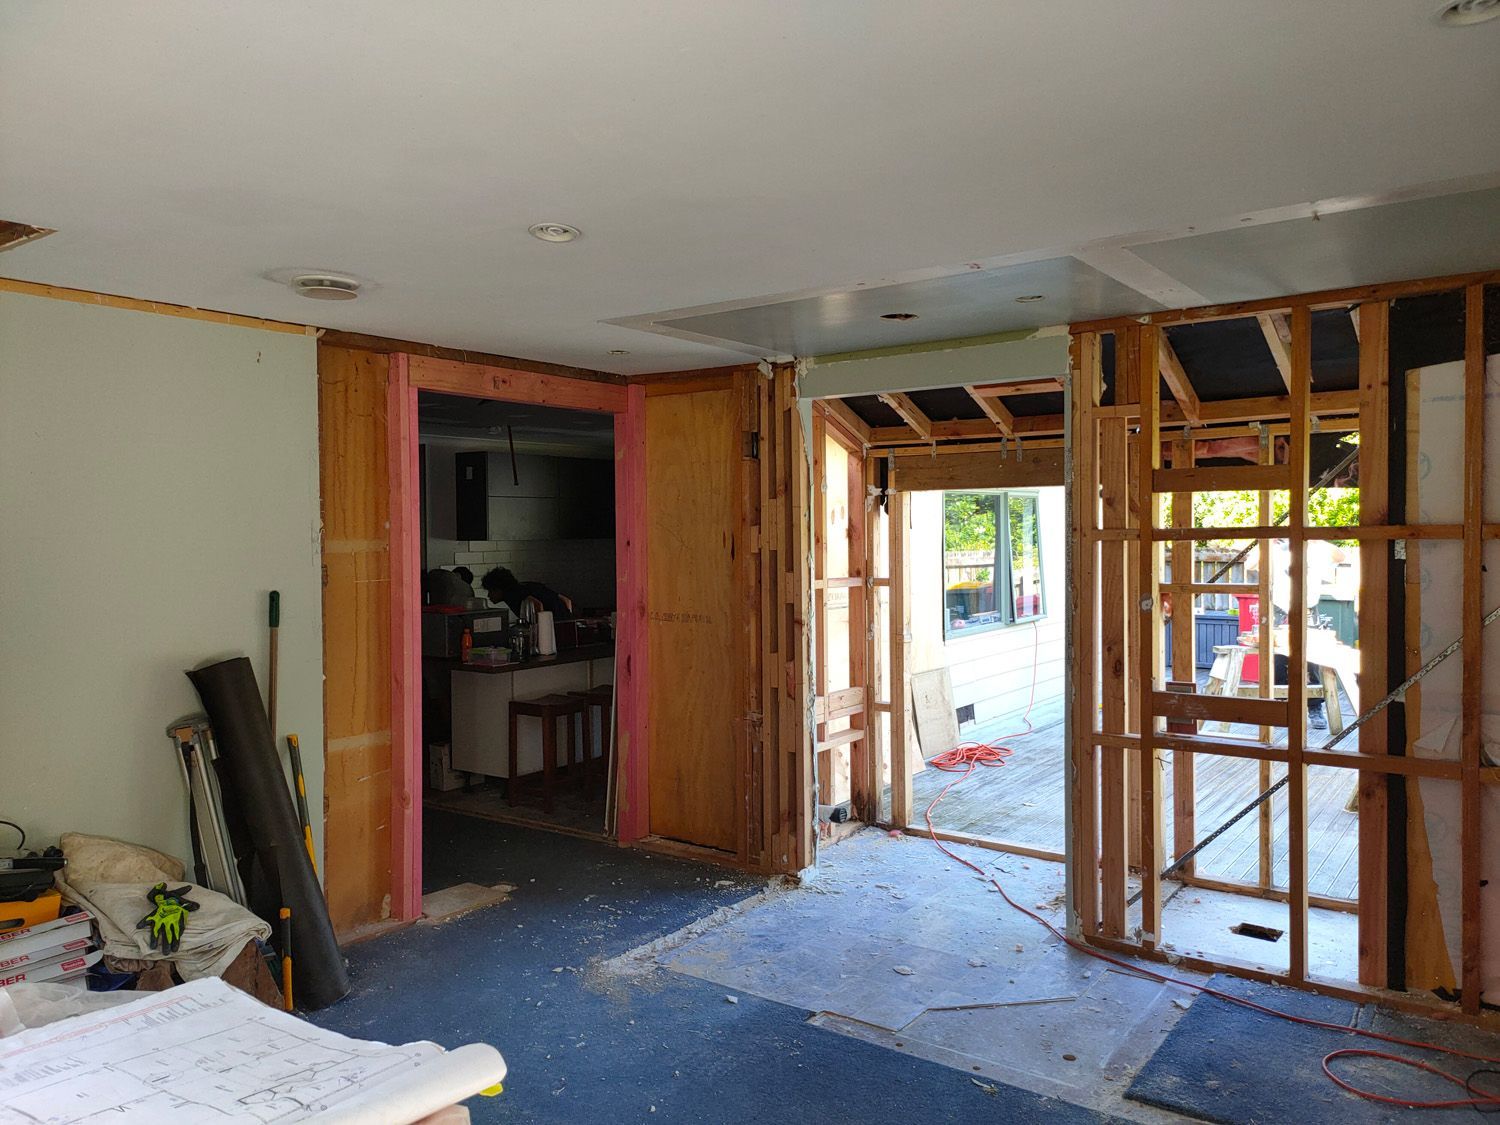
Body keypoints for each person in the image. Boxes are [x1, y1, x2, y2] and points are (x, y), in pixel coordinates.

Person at [481, 566, 572, 619]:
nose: (488, 595)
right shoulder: (525, 586)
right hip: (564, 621)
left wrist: (540, 628)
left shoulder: (512, 595)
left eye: (490, 591)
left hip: (553, 625)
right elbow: (566, 599)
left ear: (498, 589)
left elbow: (537, 605)